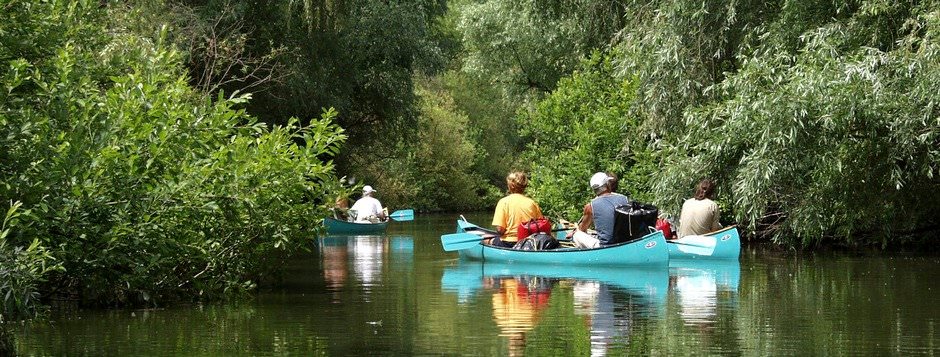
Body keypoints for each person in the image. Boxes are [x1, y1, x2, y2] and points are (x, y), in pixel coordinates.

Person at [571, 172, 631, 249]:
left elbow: (583, 229)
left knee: (577, 235)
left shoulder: (590, 206)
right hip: (626, 241)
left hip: (605, 246)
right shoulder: (624, 198)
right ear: (608, 185)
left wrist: (575, 231)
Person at [490, 171, 544, 248]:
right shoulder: (532, 203)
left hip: (509, 243)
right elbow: (540, 226)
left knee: (486, 240)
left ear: (510, 186)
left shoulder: (503, 202)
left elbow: (500, 230)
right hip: (529, 243)